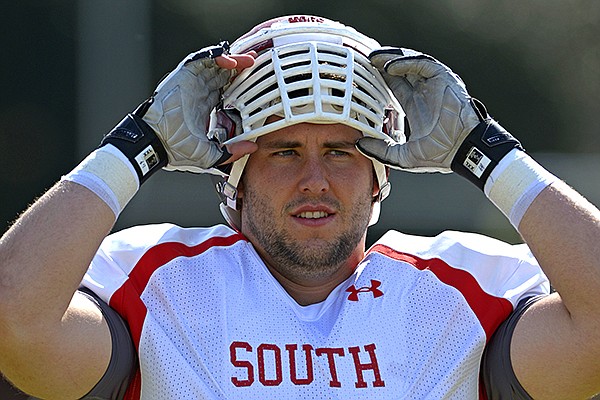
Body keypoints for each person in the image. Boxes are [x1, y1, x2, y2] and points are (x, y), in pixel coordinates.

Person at [0, 14, 599, 400]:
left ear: (377, 174)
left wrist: (485, 152)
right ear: (235, 171)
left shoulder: (460, 289)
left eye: (339, 151)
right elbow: (15, 323)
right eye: (284, 151)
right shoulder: (156, 281)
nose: (315, 179)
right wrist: (138, 147)